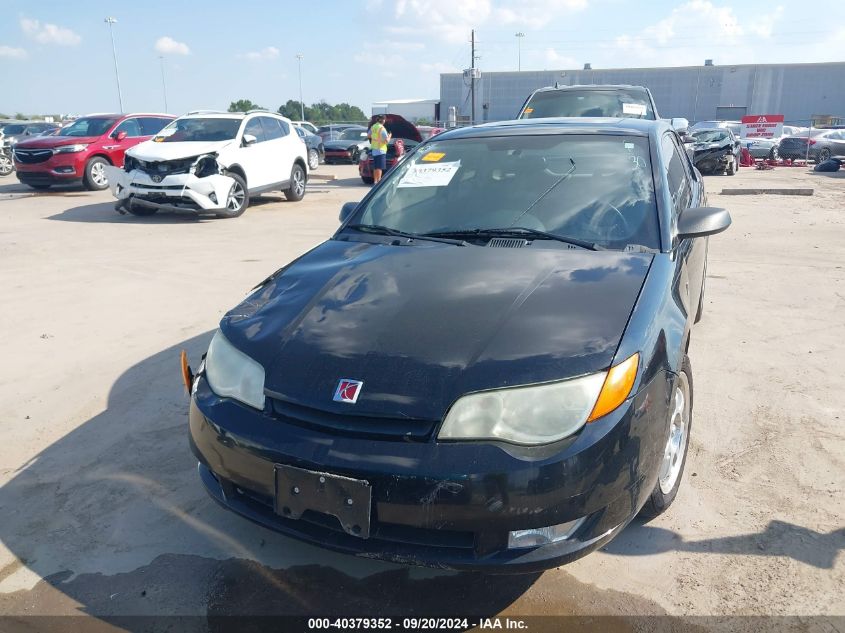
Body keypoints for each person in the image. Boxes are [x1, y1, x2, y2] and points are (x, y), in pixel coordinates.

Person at [368, 114, 391, 184]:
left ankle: (375, 181)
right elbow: (387, 141)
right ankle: (379, 182)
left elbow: (369, 135)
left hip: (374, 150)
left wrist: (375, 139)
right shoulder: (382, 128)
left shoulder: (373, 126)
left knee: (376, 167)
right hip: (381, 150)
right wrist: (390, 136)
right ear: (383, 120)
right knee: (379, 167)